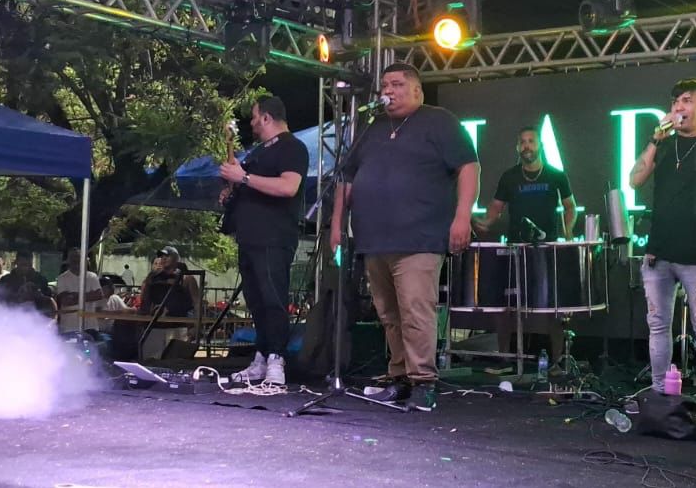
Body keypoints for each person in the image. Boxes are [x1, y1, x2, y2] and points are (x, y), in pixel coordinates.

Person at [332, 63, 478, 412]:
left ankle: (423, 382)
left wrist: (462, 216)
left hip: (419, 237)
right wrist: (337, 224)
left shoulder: (439, 121)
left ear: (417, 90)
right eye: (385, 85)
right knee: (389, 314)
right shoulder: (371, 127)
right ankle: (399, 377)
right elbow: (346, 179)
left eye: (397, 84)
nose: (388, 91)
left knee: (415, 309)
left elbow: (468, 166)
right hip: (374, 238)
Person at [627, 78, 696, 398]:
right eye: (675, 101)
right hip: (658, 251)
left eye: (687, 100)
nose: (679, 106)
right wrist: (655, 139)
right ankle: (660, 392)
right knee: (657, 324)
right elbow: (634, 180)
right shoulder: (663, 145)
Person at [219, 95, 308, 387]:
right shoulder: (258, 151)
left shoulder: (292, 147)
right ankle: (261, 355)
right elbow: (247, 185)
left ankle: (277, 359)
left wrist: (243, 178)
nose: (252, 123)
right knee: (255, 301)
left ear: (267, 117)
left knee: (273, 299)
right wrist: (232, 189)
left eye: (255, 117)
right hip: (249, 235)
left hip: (274, 236)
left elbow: (288, 186)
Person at [475, 125, 576, 362]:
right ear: (517, 147)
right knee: (506, 305)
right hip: (515, 250)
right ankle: (504, 357)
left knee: (553, 307)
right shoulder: (509, 177)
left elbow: (570, 207)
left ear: (540, 145)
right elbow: (496, 208)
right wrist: (483, 222)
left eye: (531, 141)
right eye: (522, 142)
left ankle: (557, 361)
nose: (527, 146)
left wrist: (568, 231)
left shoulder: (556, 175)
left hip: (546, 250)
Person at [137, 246, 200, 360]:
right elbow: (144, 300)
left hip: (179, 326)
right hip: (155, 326)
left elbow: (196, 303)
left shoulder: (187, 279)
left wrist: (196, 326)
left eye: (167, 256)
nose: (163, 258)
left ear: (176, 258)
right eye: (162, 256)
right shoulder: (153, 278)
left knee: (176, 361)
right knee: (150, 360)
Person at [55, 249, 104, 335]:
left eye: (79, 258)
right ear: (69, 261)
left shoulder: (92, 276)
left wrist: (74, 295)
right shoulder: (62, 278)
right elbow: (66, 301)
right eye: (73, 259)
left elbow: (99, 295)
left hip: (90, 326)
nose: (76, 261)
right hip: (69, 327)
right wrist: (89, 295)